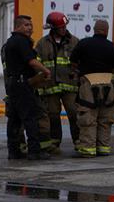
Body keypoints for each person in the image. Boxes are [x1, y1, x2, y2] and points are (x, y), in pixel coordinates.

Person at [1, 15, 52, 161]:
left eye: (31, 25)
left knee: (14, 120)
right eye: (26, 25)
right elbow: (32, 61)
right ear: (17, 26)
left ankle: (14, 151)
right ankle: (35, 151)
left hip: (13, 84)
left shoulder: (10, 42)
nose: (30, 28)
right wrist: (46, 71)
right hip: (22, 85)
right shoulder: (21, 41)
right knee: (30, 118)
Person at [70, 20, 114, 158]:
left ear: (94, 29)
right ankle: (103, 147)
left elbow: (73, 62)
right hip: (108, 85)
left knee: (88, 117)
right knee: (105, 118)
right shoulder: (112, 46)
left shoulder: (84, 43)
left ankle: (88, 149)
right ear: (107, 30)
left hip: (88, 84)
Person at [34, 11, 80, 154]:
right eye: (60, 27)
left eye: (64, 26)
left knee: (74, 113)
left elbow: (80, 63)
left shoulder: (74, 42)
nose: (64, 29)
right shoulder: (42, 43)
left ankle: (79, 141)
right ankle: (54, 143)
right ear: (53, 28)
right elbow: (37, 64)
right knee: (53, 114)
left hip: (70, 85)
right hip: (51, 86)